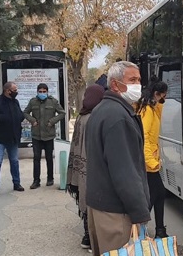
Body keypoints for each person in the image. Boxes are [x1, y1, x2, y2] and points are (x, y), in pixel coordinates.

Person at [85, 61, 150, 255]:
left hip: (100, 206)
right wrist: (140, 212)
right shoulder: (118, 117)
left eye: (139, 80)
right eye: (132, 80)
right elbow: (125, 172)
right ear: (115, 84)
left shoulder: (101, 110)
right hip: (117, 213)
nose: (137, 85)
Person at [66, 84, 104, 251]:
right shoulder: (96, 117)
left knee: (84, 198)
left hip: (80, 166)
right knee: (95, 201)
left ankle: (86, 236)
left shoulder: (82, 116)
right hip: (93, 165)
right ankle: (92, 237)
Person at [135, 77, 169, 238]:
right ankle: (139, 228)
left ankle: (158, 230)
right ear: (157, 94)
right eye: (163, 96)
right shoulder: (147, 110)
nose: (165, 99)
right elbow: (145, 137)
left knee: (158, 194)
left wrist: (159, 104)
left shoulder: (151, 107)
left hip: (149, 159)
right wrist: (151, 161)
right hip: (148, 161)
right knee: (155, 194)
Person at [0, 82, 26, 196]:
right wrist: (1, 118)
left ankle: (16, 183)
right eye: (14, 89)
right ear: (7, 91)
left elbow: (19, 114)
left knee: (14, 161)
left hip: (13, 137)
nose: (16, 92)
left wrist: (20, 117)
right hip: (0, 138)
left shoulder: (15, 102)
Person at [23, 83, 66, 188]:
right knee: (36, 158)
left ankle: (50, 178)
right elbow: (25, 112)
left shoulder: (53, 101)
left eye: (44, 91)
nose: (42, 93)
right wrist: (32, 120)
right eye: (40, 91)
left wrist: (52, 121)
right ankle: (36, 181)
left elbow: (62, 113)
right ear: (37, 92)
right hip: (36, 135)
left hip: (49, 134)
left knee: (49, 157)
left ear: (47, 91)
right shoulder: (33, 101)